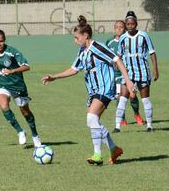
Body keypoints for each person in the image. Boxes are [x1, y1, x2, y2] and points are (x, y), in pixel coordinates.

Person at [41, 15, 135, 165]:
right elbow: (74, 69)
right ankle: (114, 148)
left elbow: (117, 60)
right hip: (93, 91)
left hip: (105, 88)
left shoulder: (97, 47)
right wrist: (54, 76)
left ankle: (97, 155)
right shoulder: (82, 51)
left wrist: (128, 82)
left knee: (91, 118)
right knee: (93, 122)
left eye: (76, 37)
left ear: (85, 36)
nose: (75, 40)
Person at [114, 11, 159, 133]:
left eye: (132, 24)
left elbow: (152, 52)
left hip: (142, 72)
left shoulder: (144, 35)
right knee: (123, 98)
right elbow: (119, 54)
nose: (130, 26)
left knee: (145, 99)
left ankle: (149, 125)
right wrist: (115, 65)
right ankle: (117, 126)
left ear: (136, 24)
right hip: (128, 74)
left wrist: (155, 69)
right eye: (128, 24)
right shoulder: (123, 38)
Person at [106, 20, 144, 127]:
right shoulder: (109, 41)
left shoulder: (128, 40)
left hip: (130, 74)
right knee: (119, 96)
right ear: (114, 29)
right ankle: (122, 119)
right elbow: (104, 56)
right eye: (117, 27)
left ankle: (137, 114)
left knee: (132, 95)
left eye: (121, 27)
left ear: (125, 29)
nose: (119, 29)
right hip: (116, 75)